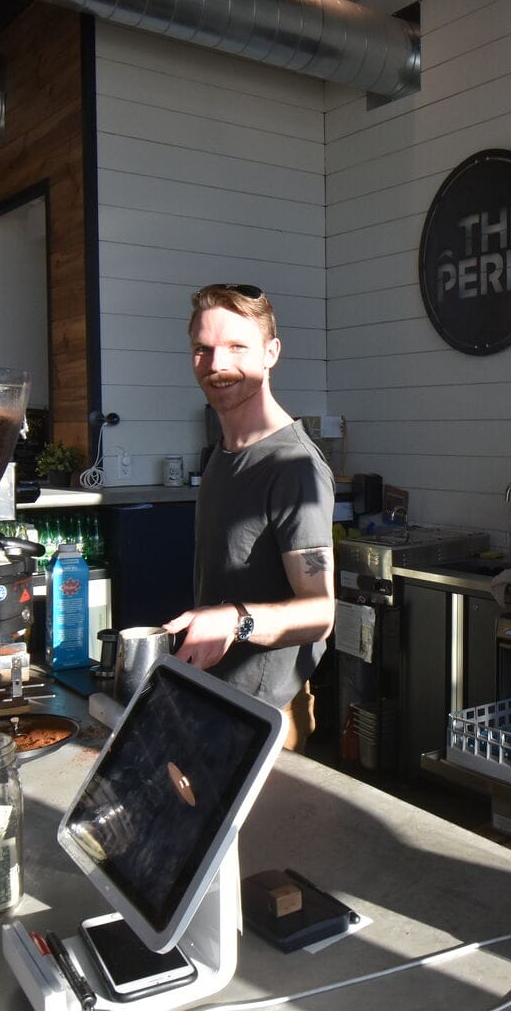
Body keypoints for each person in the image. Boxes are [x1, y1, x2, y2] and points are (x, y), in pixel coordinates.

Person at [163, 284, 335, 741]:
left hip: (267, 716)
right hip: (219, 698)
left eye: (237, 347)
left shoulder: (294, 467)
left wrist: (234, 621)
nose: (217, 366)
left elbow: (320, 612)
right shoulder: (223, 451)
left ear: (271, 352)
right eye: (203, 349)